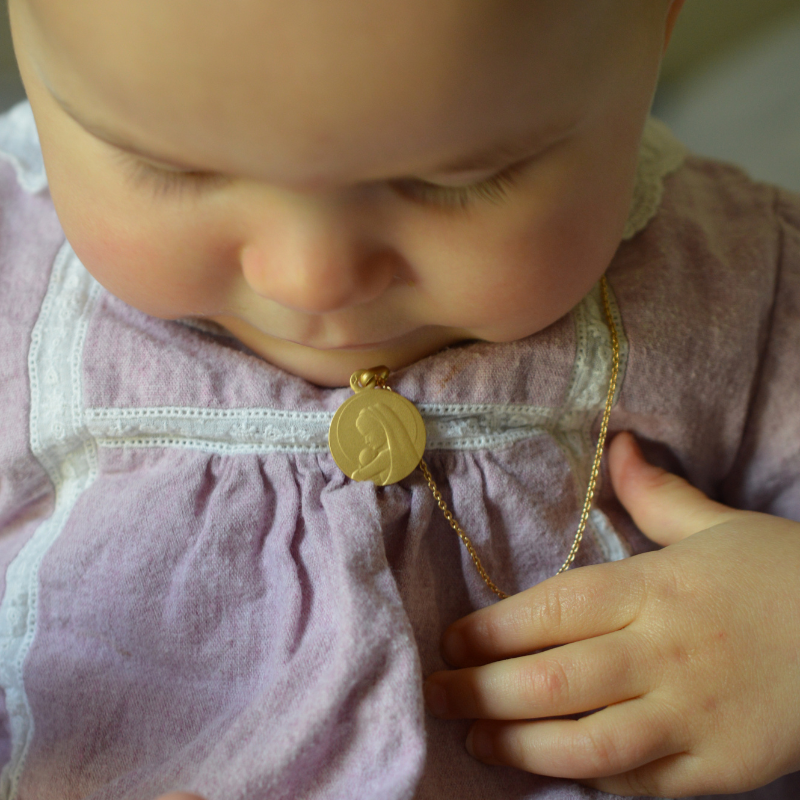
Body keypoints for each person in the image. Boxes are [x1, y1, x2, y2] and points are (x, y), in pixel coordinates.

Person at [0, 0, 798, 798]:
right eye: (171, 167)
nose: (310, 278)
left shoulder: (737, 280)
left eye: (454, 179)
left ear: (658, 28)